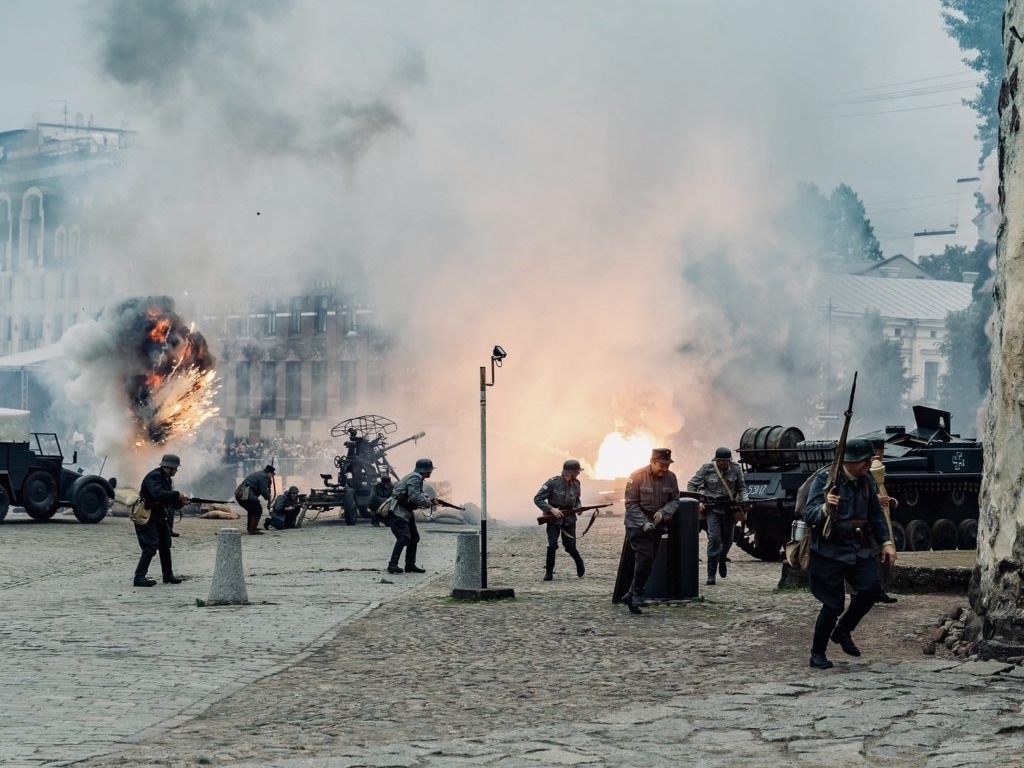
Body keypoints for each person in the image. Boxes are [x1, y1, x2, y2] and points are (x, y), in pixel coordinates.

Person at [804, 437, 896, 669]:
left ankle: (843, 631)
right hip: (829, 551)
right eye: (863, 461)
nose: (867, 464)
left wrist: (886, 542)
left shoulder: (867, 481)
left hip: (857, 547)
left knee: (872, 588)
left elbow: (875, 514)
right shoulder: (825, 480)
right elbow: (809, 513)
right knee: (833, 604)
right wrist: (825, 507)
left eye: (868, 459)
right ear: (847, 461)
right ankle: (817, 654)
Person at [621, 448, 680, 614]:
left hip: (657, 525)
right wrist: (643, 523)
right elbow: (630, 504)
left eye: (667, 465)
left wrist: (664, 513)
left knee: (649, 561)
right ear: (652, 462)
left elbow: (675, 500)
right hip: (637, 525)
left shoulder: (671, 478)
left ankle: (630, 594)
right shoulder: (637, 476)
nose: (664, 468)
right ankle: (636, 595)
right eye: (661, 465)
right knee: (645, 558)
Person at [687, 447, 749, 585]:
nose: (723, 463)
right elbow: (692, 485)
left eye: (726, 461)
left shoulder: (736, 469)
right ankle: (711, 574)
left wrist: (745, 499)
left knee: (728, 540)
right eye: (721, 461)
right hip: (712, 509)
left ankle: (722, 558)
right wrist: (698, 502)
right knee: (714, 538)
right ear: (717, 460)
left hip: (730, 509)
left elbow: (741, 487)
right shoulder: (707, 469)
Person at [134, 454, 188, 587]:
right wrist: (177, 495)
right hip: (148, 517)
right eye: (175, 468)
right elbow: (157, 494)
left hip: (159, 517)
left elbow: (167, 500)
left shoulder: (166, 479)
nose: (176, 471)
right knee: (150, 547)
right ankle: (139, 577)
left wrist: (180, 502)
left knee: (165, 546)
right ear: (168, 467)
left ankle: (168, 575)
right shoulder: (154, 476)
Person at [533, 459, 587, 581]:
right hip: (553, 519)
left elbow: (577, 499)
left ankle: (579, 562)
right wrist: (551, 509)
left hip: (569, 519)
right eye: (577, 472)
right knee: (552, 545)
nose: (578, 474)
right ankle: (549, 572)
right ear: (570, 472)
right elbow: (538, 499)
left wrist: (578, 508)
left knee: (570, 546)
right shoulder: (552, 483)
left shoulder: (577, 483)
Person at [387, 458, 434, 575]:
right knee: (404, 537)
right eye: (430, 470)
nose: (431, 473)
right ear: (426, 470)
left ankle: (410, 565)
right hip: (399, 512)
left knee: (414, 538)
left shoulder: (416, 477)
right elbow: (415, 497)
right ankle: (392, 565)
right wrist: (429, 502)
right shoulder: (415, 478)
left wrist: (429, 499)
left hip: (406, 512)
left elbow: (417, 494)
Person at [869, 439, 899, 604]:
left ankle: (880, 590)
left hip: (879, 516)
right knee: (873, 555)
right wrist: (877, 499)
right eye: (877, 451)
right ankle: (871, 591)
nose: (880, 455)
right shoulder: (867, 468)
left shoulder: (876, 468)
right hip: (868, 520)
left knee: (882, 555)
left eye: (881, 451)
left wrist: (886, 499)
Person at [235, 464, 275, 535]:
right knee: (257, 510)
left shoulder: (260, 474)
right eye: (272, 474)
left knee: (252, 510)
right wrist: (268, 497)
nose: (272, 476)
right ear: (269, 472)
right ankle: (252, 530)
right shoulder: (264, 477)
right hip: (246, 493)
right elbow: (263, 491)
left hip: (240, 493)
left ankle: (251, 528)